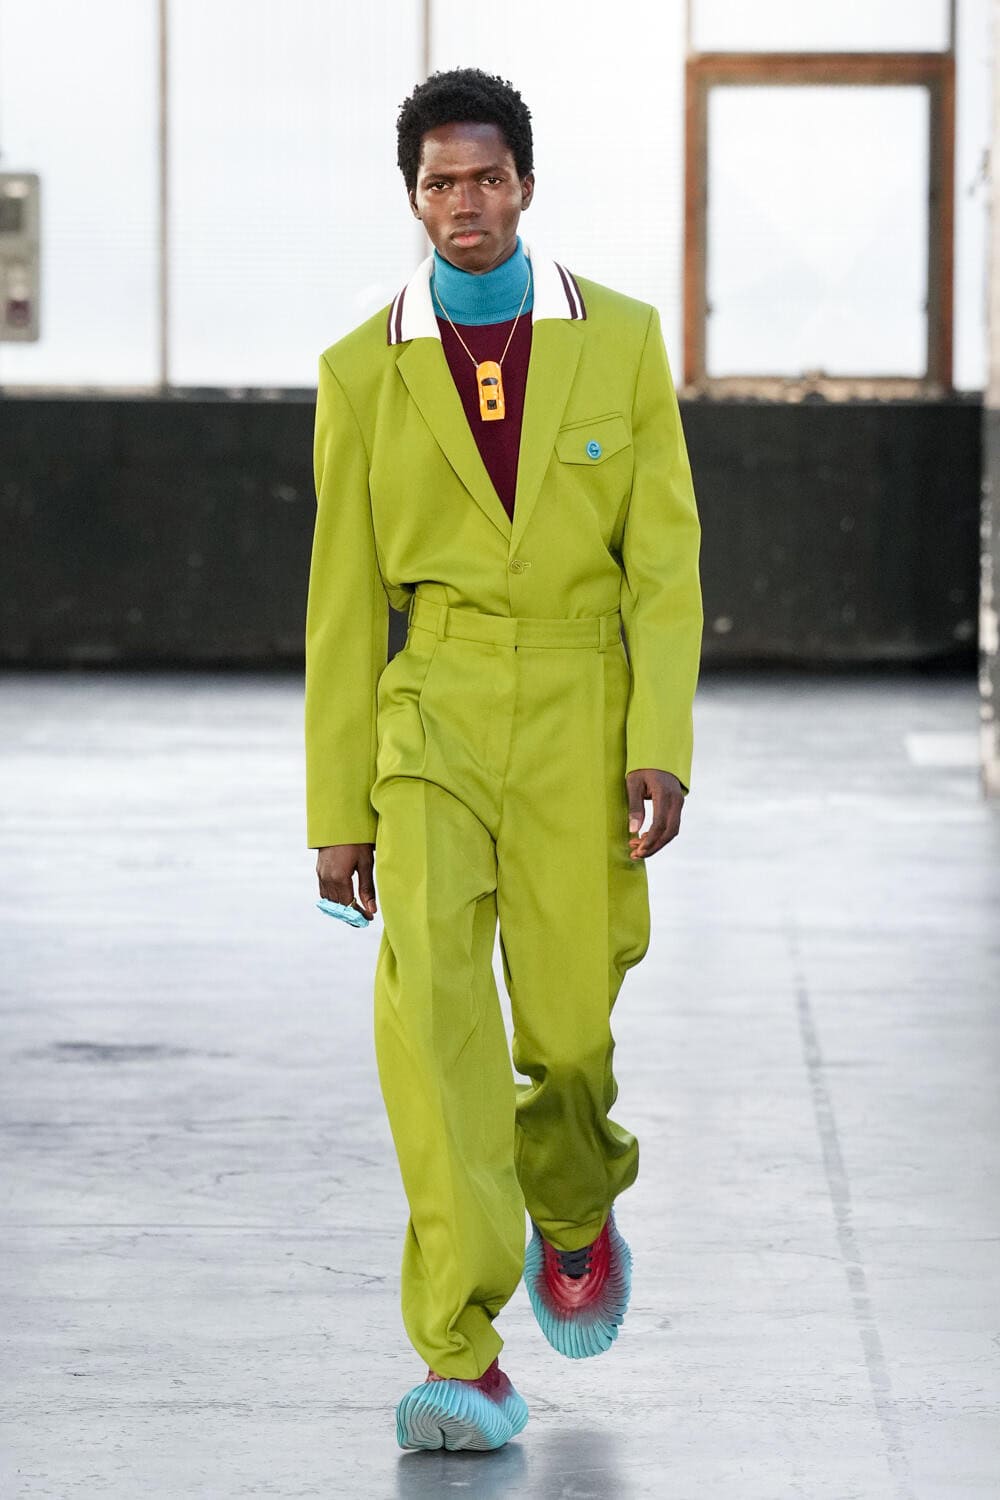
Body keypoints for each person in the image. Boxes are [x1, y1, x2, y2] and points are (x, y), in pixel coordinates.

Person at [304, 67, 702, 1452]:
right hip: (433, 711)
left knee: (571, 1030)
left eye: (485, 178)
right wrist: (337, 808)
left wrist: (660, 742)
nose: (463, 202)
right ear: (411, 199)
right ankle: (459, 1353)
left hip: (584, 705)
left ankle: (575, 1202)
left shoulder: (622, 340)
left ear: (525, 184)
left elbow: (665, 566)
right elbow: (341, 604)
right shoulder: (362, 371)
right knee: (436, 1030)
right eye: (439, 183)